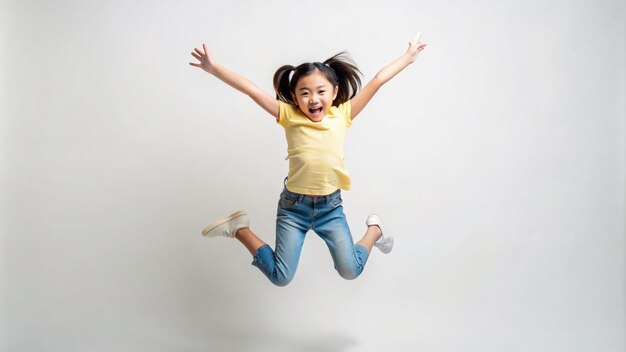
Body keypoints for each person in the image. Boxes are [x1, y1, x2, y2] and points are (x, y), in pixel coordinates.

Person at [189, 34, 426, 286]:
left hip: (330, 209)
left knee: (350, 270)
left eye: (320, 91)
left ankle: (375, 230)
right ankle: (239, 229)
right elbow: (252, 90)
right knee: (281, 277)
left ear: (334, 92)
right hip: (294, 209)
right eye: (305, 93)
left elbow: (378, 80)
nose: (313, 99)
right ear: (294, 96)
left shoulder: (343, 114)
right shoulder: (288, 115)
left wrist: (407, 58)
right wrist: (214, 69)